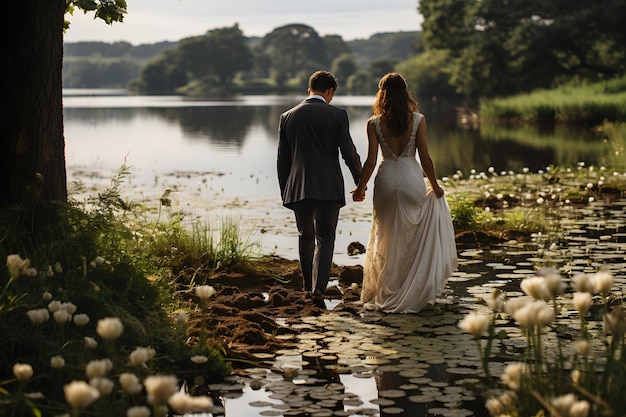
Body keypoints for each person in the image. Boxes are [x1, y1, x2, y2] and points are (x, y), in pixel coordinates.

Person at [352, 72, 457, 313]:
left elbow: (370, 162)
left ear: (382, 94)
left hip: (387, 179)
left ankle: (387, 287)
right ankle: (408, 288)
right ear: (405, 93)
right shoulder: (418, 119)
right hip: (411, 178)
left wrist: (360, 188)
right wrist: (435, 185)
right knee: (411, 233)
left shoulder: (374, 123)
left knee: (386, 235)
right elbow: (425, 158)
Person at [278, 70, 363, 300]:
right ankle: (318, 289)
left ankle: (307, 286)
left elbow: (282, 160)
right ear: (330, 92)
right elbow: (349, 153)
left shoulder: (287, 116)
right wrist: (360, 182)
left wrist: (286, 191)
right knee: (326, 237)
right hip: (328, 186)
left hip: (298, 187)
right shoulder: (337, 115)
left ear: (309, 90)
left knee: (305, 236)